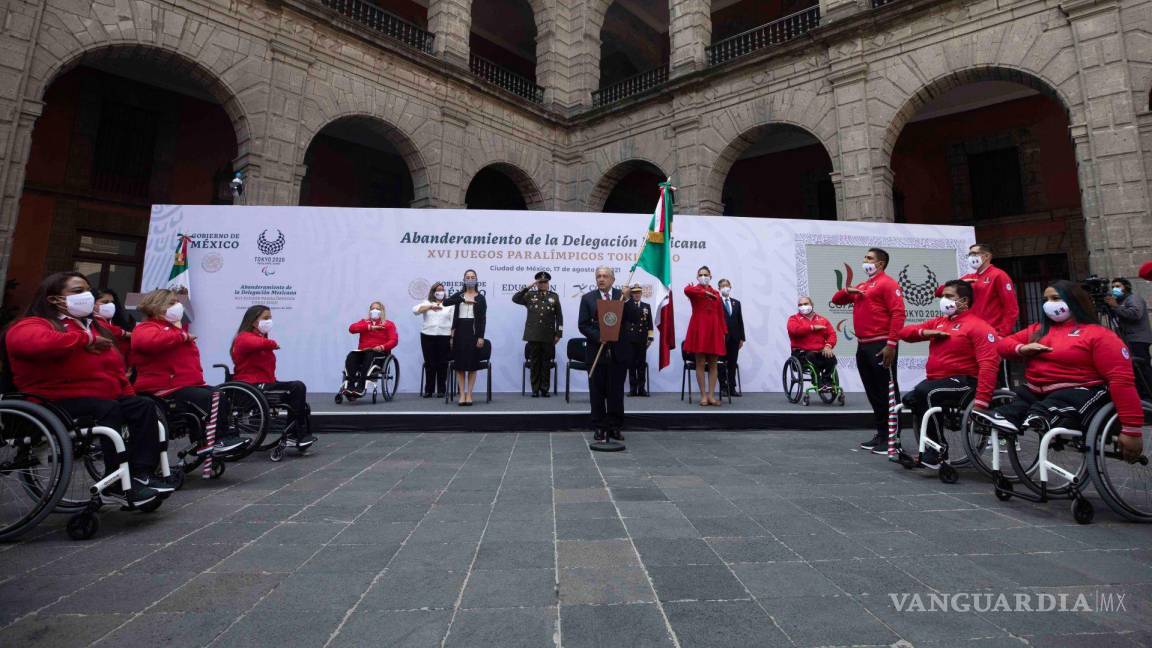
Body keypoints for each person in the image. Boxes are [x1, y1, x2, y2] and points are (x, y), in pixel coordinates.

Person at [2, 272, 171, 506]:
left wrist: (128, 396)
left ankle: (141, 474)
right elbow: (32, 343)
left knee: (143, 406)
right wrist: (84, 340)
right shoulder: (34, 323)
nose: (87, 295)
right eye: (77, 291)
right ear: (53, 299)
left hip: (99, 395)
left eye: (88, 290)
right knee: (107, 408)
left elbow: (115, 372)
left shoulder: (94, 328)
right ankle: (115, 485)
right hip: (52, 400)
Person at [973, 280, 1144, 463]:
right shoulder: (1039, 330)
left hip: (1078, 391)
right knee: (1020, 400)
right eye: (1046, 299)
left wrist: (1131, 429)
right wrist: (1022, 349)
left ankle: (1038, 417)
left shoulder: (1099, 334)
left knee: (1050, 405)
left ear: (1073, 301)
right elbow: (1003, 345)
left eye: (1055, 298)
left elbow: (1121, 380)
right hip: (1037, 391)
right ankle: (1008, 417)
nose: (1049, 304)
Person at [896, 280, 999, 468]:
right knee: (913, 397)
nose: (944, 300)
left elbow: (989, 364)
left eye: (949, 296)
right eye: (943, 296)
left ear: (964, 301)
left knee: (925, 391)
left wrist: (982, 401)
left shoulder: (978, 326)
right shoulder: (940, 322)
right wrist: (925, 332)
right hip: (940, 380)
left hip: (966, 382)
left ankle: (938, 452)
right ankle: (927, 447)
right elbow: (904, 333)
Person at [132, 289, 247, 454]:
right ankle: (216, 440)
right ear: (157, 306)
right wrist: (182, 337)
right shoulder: (145, 327)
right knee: (213, 397)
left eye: (177, 302)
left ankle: (218, 438)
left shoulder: (173, 328)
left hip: (184, 384)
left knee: (221, 396)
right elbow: (148, 342)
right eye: (172, 303)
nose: (178, 306)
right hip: (163, 387)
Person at [832, 248, 906, 453]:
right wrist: (848, 291)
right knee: (873, 392)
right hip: (863, 344)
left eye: (869, 258)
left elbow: (898, 313)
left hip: (881, 344)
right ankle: (882, 433)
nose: (865, 261)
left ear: (880, 263)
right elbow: (837, 300)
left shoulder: (888, 283)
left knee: (888, 392)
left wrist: (891, 344)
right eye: (865, 258)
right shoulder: (864, 285)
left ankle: (893, 439)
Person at [231, 305, 316, 446]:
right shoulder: (243, 338)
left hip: (264, 384)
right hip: (251, 386)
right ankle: (294, 435)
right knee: (297, 386)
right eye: (265, 318)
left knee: (299, 400)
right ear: (253, 321)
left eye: (270, 318)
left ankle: (296, 434)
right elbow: (254, 343)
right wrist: (272, 343)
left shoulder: (260, 339)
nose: (269, 321)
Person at [578, 266, 639, 442]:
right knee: (597, 393)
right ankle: (599, 427)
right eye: (598, 276)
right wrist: (599, 336)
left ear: (612, 279)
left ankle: (614, 427)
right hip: (596, 352)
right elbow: (583, 325)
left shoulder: (622, 296)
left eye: (605, 276)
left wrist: (627, 301)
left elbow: (634, 318)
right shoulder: (588, 298)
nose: (601, 279)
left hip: (619, 353)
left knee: (616, 393)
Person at [512, 271, 563, 397]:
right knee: (534, 363)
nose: (543, 284)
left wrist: (559, 333)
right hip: (533, 335)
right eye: (540, 282)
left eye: (545, 282)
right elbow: (515, 298)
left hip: (548, 335)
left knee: (546, 362)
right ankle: (535, 389)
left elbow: (559, 317)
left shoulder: (554, 297)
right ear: (537, 283)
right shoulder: (530, 295)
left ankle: (544, 389)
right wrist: (528, 286)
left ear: (548, 283)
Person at [953, 243, 1019, 336]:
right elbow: (941, 291)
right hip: (973, 332)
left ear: (987, 256)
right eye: (969, 254)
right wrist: (959, 284)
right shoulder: (970, 277)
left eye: (974, 254)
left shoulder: (999, 275)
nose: (971, 257)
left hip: (992, 332)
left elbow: (1011, 308)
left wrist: (1002, 333)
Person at [684, 266, 727, 406]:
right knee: (700, 363)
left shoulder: (716, 293)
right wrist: (704, 292)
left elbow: (721, 315)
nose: (704, 276)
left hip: (714, 331)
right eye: (701, 275)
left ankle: (711, 396)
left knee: (713, 364)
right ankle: (703, 395)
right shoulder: (695, 291)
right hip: (699, 329)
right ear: (697, 277)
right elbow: (687, 290)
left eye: (706, 274)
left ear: (711, 276)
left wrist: (724, 332)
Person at [443, 269, 487, 406]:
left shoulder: (480, 298)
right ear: (464, 280)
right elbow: (445, 302)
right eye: (467, 277)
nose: (470, 279)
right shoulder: (458, 295)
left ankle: (469, 394)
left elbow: (482, 319)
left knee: (472, 365)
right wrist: (463, 299)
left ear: (476, 280)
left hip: (473, 332)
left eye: (472, 277)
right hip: (460, 331)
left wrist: (481, 337)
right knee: (460, 366)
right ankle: (462, 394)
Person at [1103, 277, 1152, 398]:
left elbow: (1135, 314)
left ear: (1126, 287)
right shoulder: (1119, 302)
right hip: (1127, 339)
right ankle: (1141, 392)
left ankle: (1148, 392)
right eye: (1113, 286)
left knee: (1142, 367)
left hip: (1138, 339)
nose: (1115, 289)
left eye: (1118, 286)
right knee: (1133, 368)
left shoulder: (1133, 298)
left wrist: (1116, 307)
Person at [344, 301, 398, 397]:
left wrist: (382, 347)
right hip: (363, 352)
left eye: (377, 309)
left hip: (379, 353)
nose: (374, 311)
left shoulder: (388, 324)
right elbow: (351, 329)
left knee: (369, 354)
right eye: (372, 309)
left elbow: (394, 340)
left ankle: (361, 387)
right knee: (351, 355)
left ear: (382, 311)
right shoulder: (364, 322)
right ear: (369, 311)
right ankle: (350, 386)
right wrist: (369, 327)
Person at [786, 296, 838, 391]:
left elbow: (832, 334)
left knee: (831, 358)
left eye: (806, 304)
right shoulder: (793, 319)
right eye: (800, 305)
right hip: (802, 352)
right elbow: (794, 330)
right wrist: (812, 328)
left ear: (812, 305)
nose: (803, 306)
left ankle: (826, 380)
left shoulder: (823, 320)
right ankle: (819, 381)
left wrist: (828, 346)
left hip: (819, 351)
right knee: (812, 356)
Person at [413, 283, 454, 398]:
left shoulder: (449, 304)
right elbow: (416, 311)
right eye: (438, 290)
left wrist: (452, 338)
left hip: (444, 336)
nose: (440, 292)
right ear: (433, 292)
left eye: (442, 290)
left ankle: (441, 389)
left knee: (442, 363)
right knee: (430, 363)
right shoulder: (427, 303)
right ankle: (429, 390)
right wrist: (430, 307)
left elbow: (453, 322)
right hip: (427, 336)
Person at [717, 278, 745, 397]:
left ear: (730, 287)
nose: (725, 288)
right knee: (721, 363)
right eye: (722, 286)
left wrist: (742, 338)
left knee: (732, 363)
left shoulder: (736, 303)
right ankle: (723, 388)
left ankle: (732, 388)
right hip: (721, 338)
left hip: (734, 338)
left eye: (727, 285)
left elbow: (740, 321)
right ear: (719, 288)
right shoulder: (716, 302)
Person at [624, 284, 653, 397]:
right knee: (631, 365)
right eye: (635, 293)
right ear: (632, 294)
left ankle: (642, 389)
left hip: (642, 339)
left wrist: (650, 337)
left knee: (641, 365)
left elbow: (649, 322)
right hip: (630, 339)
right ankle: (633, 389)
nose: (637, 295)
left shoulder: (646, 306)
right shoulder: (627, 305)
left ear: (641, 294)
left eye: (638, 293)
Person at [93, 288, 133, 361]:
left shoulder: (118, 323)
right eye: (105, 302)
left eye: (112, 302)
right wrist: (127, 334)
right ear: (92, 303)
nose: (110, 305)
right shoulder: (89, 322)